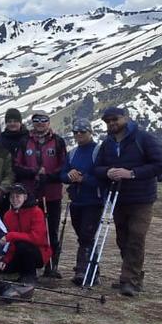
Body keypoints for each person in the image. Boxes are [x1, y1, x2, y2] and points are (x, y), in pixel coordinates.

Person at [93, 106, 162, 297]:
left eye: (115, 119)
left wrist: (132, 174)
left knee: (136, 236)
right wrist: (107, 172)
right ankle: (133, 276)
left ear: (125, 118)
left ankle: (129, 281)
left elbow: (159, 165)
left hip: (142, 198)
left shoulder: (144, 138)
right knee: (123, 239)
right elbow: (97, 168)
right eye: (108, 121)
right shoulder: (107, 143)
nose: (111, 124)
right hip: (118, 198)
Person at [12, 110, 67, 277]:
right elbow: (16, 165)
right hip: (29, 194)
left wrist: (48, 176)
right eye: (37, 120)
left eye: (44, 120)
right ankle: (30, 265)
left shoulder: (58, 141)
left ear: (48, 122)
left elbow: (64, 166)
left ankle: (51, 265)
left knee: (52, 230)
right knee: (30, 230)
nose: (40, 123)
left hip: (52, 193)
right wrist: (34, 172)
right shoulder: (24, 141)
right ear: (32, 122)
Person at [61, 118, 106, 285]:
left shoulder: (98, 152)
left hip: (93, 201)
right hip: (76, 202)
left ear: (90, 132)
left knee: (87, 236)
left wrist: (83, 179)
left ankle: (82, 271)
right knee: (83, 237)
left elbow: (103, 177)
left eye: (82, 131)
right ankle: (93, 271)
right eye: (76, 132)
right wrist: (69, 176)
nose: (79, 134)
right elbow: (62, 175)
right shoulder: (72, 153)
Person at [0, 184, 49, 286]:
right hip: (16, 251)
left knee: (23, 245)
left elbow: (37, 238)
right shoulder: (8, 215)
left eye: (18, 196)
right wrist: (6, 259)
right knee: (3, 268)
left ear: (25, 197)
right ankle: (21, 273)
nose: (14, 200)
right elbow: (11, 243)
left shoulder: (36, 212)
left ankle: (30, 276)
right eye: (12, 197)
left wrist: (12, 235)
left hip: (38, 251)